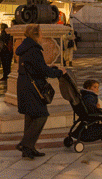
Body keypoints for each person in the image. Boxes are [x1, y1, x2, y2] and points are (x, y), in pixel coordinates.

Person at [15, 24, 65, 159]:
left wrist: (50, 67)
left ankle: (28, 149)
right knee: (41, 115)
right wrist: (59, 72)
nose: (42, 34)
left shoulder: (26, 47)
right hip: (33, 87)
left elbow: (36, 67)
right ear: (36, 34)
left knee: (30, 116)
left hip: (25, 85)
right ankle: (25, 144)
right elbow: (42, 71)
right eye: (41, 32)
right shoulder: (33, 49)